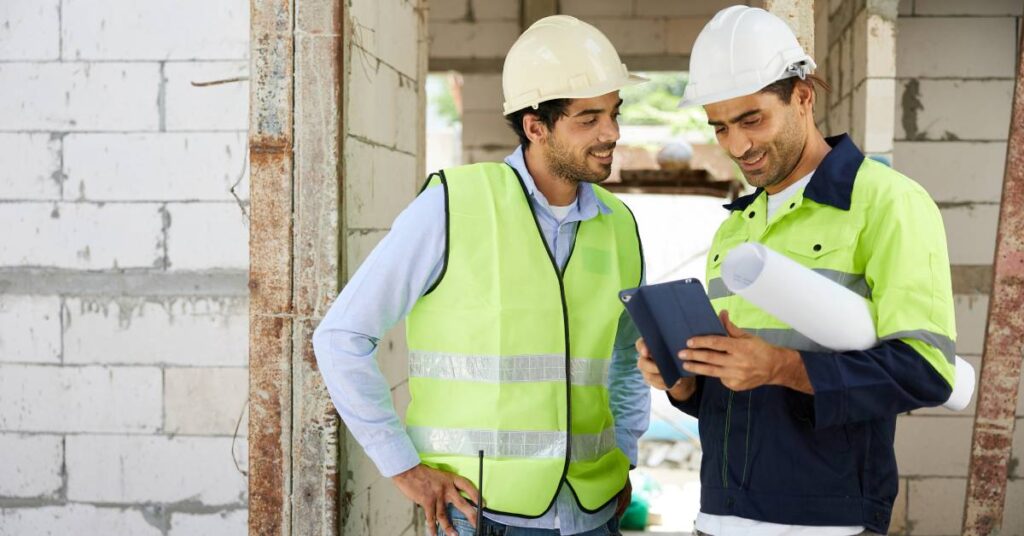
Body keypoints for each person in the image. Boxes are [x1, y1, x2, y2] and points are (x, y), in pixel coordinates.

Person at [313, 15, 651, 536]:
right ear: (536, 126)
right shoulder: (452, 204)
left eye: (612, 112)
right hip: (484, 515)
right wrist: (404, 468)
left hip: (594, 513)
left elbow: (627, 359)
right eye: (588, 119)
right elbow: (341, 337)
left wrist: (624, 454)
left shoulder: (620, 224)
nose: (611, 133)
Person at [636, 6, 956, 535]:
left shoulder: (885, 202)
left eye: (751, 119)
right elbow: (740, 399)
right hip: (716, 517)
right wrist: (687, 385)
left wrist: (783, 367)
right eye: (719, 127)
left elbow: (927, 373)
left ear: (803, 97)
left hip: (826, 522)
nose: (737, 146)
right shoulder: (737, 229)